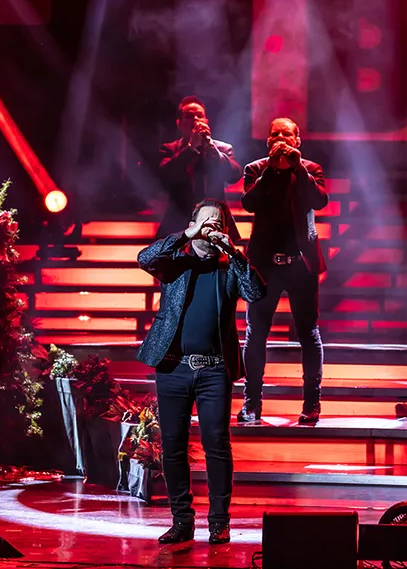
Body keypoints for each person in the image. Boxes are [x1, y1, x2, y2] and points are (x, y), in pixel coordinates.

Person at [136, 199, 266, 545]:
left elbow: (257, 292)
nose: (211, 225)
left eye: (218, 221)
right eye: (204, 220)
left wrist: (236, 253)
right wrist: (185, 236)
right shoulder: (175, 263)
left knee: (217, 446)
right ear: (193, 223)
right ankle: (182, 521)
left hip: (214, 370)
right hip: (173, 367)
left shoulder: (229, 266)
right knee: (173, 447)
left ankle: (219, 522)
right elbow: (144, 258)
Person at [238, 118, 329, 424]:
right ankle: (252, 403)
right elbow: (248, 203)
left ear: (297, 141)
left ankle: (312, 402)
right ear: (267, 141)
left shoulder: (311, 170)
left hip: (300, 263)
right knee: (256, 334)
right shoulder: (255, 169)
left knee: (308, 333)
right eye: (275, 134)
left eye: (286, 134)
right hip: (264, 265)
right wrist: (271, 171)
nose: (280, 138)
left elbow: (319, 200)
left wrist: (297, 167)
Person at [156, 96, 243, 238]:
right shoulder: (169, 149)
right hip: (179, 223)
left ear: (206, 121)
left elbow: (234, 175)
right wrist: (190, 148)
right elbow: (165, 176)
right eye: (189, 116)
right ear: (179, 123)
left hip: (214, 223)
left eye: (199, 116)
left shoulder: (223, 148)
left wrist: (212, 149)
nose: (195, 120)